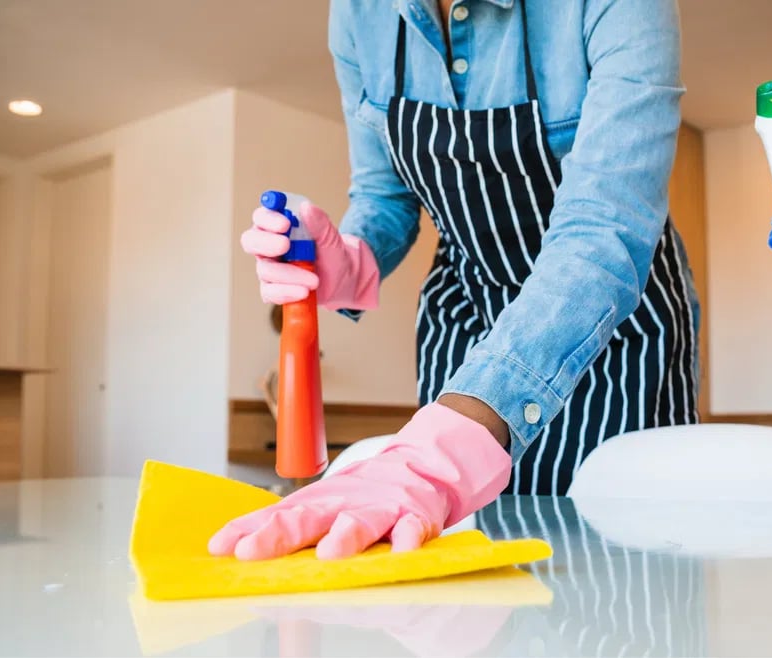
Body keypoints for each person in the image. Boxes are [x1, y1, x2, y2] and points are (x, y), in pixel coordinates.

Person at [209, 0, 699, 562]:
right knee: (466, 582)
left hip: (614, 335)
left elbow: (603, 227)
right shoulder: (357, 14)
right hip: (466, 315)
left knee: (614, 581)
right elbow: (384, 196)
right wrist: (343, 262)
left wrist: (439, 452)